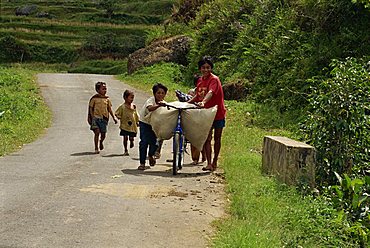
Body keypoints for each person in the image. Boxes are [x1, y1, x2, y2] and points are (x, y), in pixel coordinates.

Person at [188, 56, 226, 171]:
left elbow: (210, 92)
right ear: (200, 68)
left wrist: (203, 102)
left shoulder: (214, 79)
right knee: (207, 138)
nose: (206, 70)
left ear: (211, 68)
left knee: (217, 138)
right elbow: (198, 95)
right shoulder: (200, 80)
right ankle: (209, 163)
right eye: (203, 67)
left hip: (218, 113)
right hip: (206, 114)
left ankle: (215, 161)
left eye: (208, 67)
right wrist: (187, 103)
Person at [137, 83, 168, 170]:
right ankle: (142, 163)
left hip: (156, 125)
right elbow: (149, 108)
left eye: (162, 93)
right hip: (145, 123)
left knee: (155, 143)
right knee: (144, 142)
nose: (160, 95)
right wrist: (159, 105)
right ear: (154, 94)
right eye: (158, 93)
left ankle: (151, 155)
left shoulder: (165, 103)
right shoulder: (151, 100)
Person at [88, 81, 117, 154]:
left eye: (105, 89)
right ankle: (96, 148)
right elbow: (90, 108)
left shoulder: (107, 99)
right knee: (97, 133)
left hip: (104, 119)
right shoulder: (94, 99)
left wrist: (114, 118)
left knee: (103, 134)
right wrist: (92, 117)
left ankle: (101, 141)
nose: (105, 90)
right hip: (95, 118)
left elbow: (109, 109)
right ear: (98, 90)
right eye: (103, 89)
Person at [115, 90, 139, 156]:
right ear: (125, 98)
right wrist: (118, 117)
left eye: (133, 98)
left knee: (131, 137)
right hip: (124, 125)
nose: (132, 99)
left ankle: (131, 141)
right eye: (130, 97)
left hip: (132, 125)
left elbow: (135, 114)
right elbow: (117, 113)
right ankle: (125, 149)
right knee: (125, 137)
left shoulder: (133, 106)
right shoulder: (122, 107)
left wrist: (137, 121)